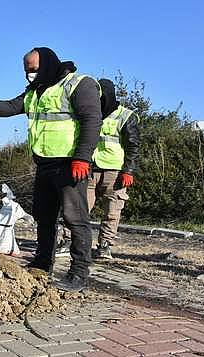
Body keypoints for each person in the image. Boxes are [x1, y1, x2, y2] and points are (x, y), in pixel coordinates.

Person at [0, 47, 102, 291]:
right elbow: (8, 108)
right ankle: (42, 263)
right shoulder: (35, 91)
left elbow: (92, 120)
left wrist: (82, 157)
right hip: (45, 164)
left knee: (74, 217)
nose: (29, 75)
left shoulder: (79, 84)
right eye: (27, 71)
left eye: (34, 70)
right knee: (43, 216)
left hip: (70, 164)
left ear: (47, 65)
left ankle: (79, 272)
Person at [88, 78, 140, 259]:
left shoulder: (126, 116)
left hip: (115, 172)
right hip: (89, 168)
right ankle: (68, 241)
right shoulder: (90, 112)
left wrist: (129, 170)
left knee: (112, 211)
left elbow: (133, 146)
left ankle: (104, 246)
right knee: (78, 208)